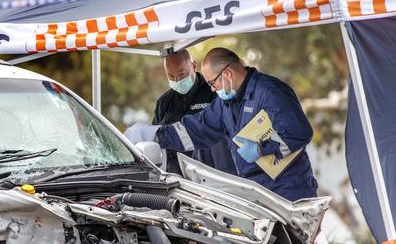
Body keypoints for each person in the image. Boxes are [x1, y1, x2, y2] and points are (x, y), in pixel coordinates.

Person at [127, 48, 318, 201]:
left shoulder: (269, 92)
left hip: (290, 189)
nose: (211, 88)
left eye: (212, 82)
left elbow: (298, 132)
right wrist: (155, 134)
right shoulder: (226, 103)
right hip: (257, 190)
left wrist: (261, 149)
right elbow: (196, 129)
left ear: (227, 74)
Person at [153, 50, 236, 175]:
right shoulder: (163, 102)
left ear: (194, 66)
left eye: (181, 75)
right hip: (176, 175)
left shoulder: (214, 91)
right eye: (171, 76)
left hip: (213, 173)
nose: (177, 80)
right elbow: (156, 141)